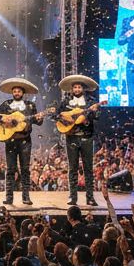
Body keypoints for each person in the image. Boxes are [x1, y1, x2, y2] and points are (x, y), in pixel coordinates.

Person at [0, 77, 44, 206]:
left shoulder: (30, 105)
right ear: (12, 93)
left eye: (19, 91)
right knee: (10, 170)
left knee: (25, 169)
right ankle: (9, 197)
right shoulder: (6, 104)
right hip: (10, 141)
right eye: (15, 91)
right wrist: (3, 120)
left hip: (25, 141)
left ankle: (26, 197)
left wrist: (40, 118)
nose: (17, 93)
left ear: (23, 93)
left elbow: (37, 122)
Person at [57, 74, 100, 206]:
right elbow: (56, 115)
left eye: (79, 87)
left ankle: (90, 198)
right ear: (72, 89)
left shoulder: (91, 101)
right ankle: (72, 197)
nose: (77, 89)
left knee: (88, 169)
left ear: (83, 88)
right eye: (75, 87)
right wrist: (67, 119)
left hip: (87, 137)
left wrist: (92, 113)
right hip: (71, 138)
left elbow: (97, 116)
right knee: (72, 168)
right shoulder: (66, 101)